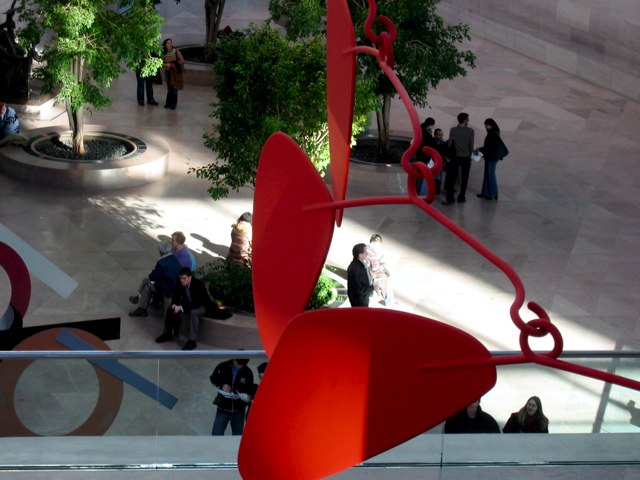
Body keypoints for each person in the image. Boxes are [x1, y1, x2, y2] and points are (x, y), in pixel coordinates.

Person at [155, 267, 219, 350]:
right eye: (180, 278)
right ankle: (167, 333)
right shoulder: (179, 282)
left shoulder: (198, 284)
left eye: (184, 278)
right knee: (170, 308)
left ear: (190, 277)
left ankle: (192, 341)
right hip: (189, 304)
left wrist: (181, 308)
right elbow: (176, 295)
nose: (182, 280)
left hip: (202, 305)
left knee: (194, 312)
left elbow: (196, 303)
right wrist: (174, 305)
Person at [129, 239, 181, 317]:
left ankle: (141, 305)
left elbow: (153, 277)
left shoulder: (161, 263)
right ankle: (140, 302)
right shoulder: (174, 258)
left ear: (161, 251)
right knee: (147, 283)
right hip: (175, 285)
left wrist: (152, 276)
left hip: (168, 289)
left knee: (147, 284)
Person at [210, 358, 254, 435]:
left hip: (239, 410)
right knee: (216, 435)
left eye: (243, 365)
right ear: (234, 360)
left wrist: (248, 396)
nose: (240, 367)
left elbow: (250, 388)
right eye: (239, 364)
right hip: (223, 408)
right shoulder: (223, 366)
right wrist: (222, 385)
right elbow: (213, 378)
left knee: (238, 436)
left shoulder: (248, 372)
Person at [442, 112, 474, 205]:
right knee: (465, 178)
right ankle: (461, 197)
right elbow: (471, 146)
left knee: (451, 177)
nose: (468, 121)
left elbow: (449, 144)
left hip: (455, 157)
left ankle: (450, 198)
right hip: (466, 157)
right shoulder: (470, 131)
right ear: (464, 121)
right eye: (468, 119)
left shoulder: (453, 130)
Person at [476, 118, 506, 201]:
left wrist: (480, 150)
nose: (486, 126)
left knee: (490, 176)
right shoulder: (493, 133)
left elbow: (490, 147)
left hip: (491, 158)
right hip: (490, 157)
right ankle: (485, 193)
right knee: (487, 175)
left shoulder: (493, 134)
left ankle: (493, 194)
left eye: (487, 125)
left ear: (492, 125)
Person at [365, 234, 397, 306]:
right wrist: (382, 265)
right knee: (387, 279)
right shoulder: (373, 254)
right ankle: (390, 302)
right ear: (377, 243)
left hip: (364, 271)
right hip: (371, 273)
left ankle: (370, 294)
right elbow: (374, 268)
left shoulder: (364, 248)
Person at [161, 38, 184, 110]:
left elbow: (182, 61)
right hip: (167, 72)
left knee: (174, 87)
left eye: (170, 42)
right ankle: (168, 103)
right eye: (168, 43)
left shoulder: (176, 52)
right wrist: (166, 65)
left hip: (175, 73)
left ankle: (173, 104)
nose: (170, 44)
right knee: (169, 88)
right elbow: (161, 63)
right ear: (165, 45)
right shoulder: (163, 53)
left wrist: (172, 65)